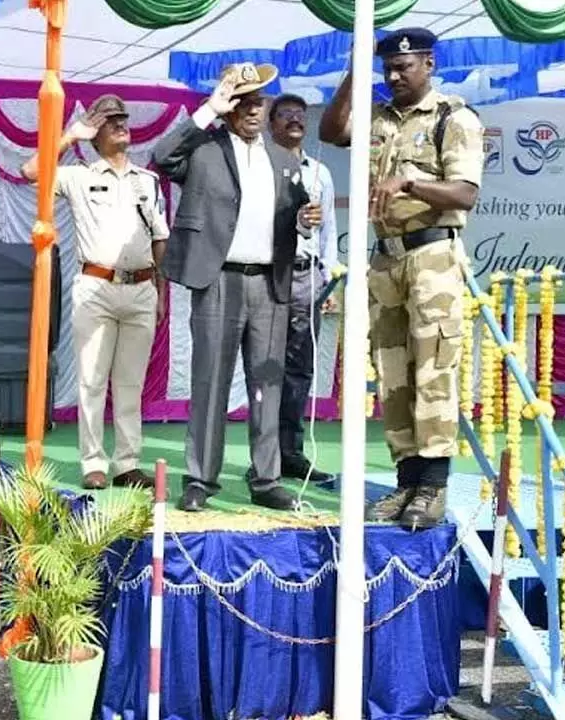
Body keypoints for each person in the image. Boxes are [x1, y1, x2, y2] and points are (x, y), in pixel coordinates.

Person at [319, 28, 484, 529]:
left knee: (433, 366)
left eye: (403, 67)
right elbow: (331, 131)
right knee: (393, 374)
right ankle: (406, 481)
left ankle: (432, 487)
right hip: (386, 259)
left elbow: (464, 194)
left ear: (429, 64)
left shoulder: (452, 118)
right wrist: (354, 74)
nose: (393, 76)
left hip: (432, 253)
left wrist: (409, 180)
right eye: (387, 67)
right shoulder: (378, 118)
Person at [152, 63, 321, 513]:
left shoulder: (285, 159)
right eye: (243, 101)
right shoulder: (204, 147)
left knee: (267, 381)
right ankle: (201, 479)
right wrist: (209, 108)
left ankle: (266, 479)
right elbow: (162, 155)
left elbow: (295, 212)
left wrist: (303, 220)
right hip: (219, 278)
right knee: (211, 380)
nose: (253, 109)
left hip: (270, 281)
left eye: (258, 101)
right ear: (229, 107)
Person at [21, 94, 169, 490]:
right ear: (95, 133)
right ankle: (93, 463)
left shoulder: (148, 181)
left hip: (141, 288)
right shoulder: (78, 176)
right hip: (96, 286)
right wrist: (71, 135)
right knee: (91, 380)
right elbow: (30, 170)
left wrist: (162, 293)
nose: (120, 124)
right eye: (109, 121)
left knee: (130, 383)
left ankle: (127, 463)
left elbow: (160, 240)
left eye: (123, 118)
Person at [245, 94, 339, 488]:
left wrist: (330, 276)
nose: (295, 122)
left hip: (307, 277)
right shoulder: (260, 168)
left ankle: (291, 453)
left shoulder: (319, 172)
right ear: (271, 125)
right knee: (267, 369)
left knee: (299, 369)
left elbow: (330, 229)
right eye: (286, 116)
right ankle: (263, 458)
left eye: (300, 116)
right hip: (270, 274)